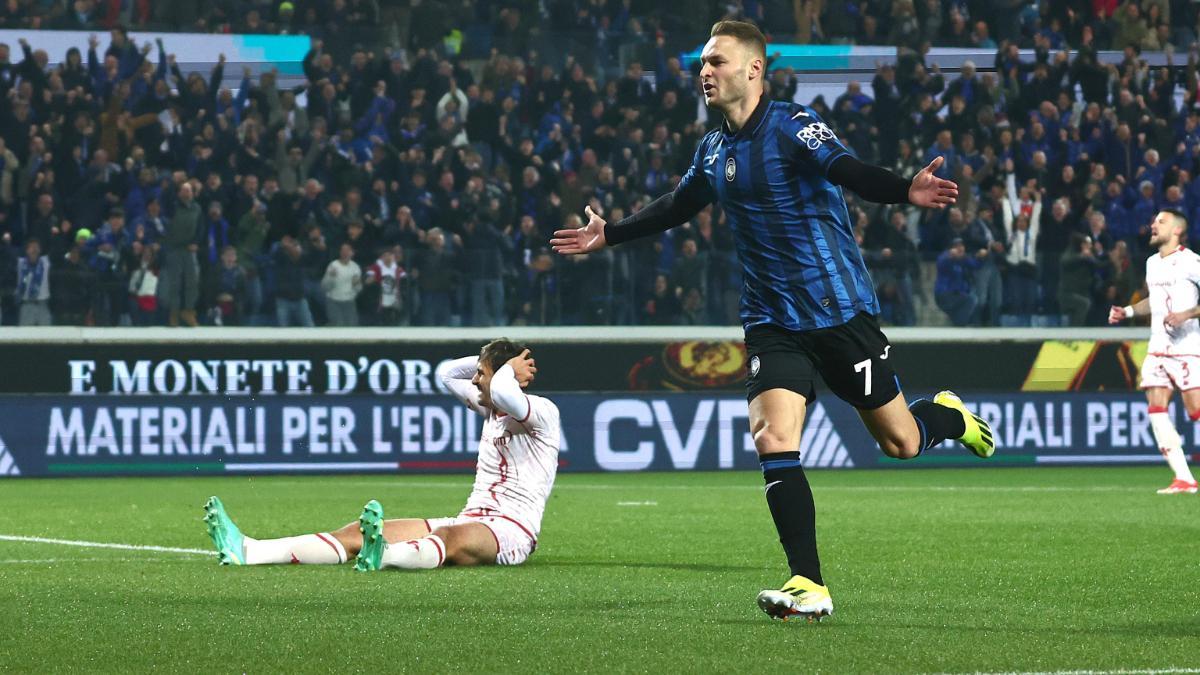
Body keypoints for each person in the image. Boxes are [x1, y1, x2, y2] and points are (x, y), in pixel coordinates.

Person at [551, 19, 994, 622]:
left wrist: (902, 190)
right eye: (702, 64)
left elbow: (847, 169)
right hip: (770, 319)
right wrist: (612, 234)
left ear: (754, 69)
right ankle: (808, 583)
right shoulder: (714, 149)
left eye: (717, 62)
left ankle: (948, 415)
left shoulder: (792, 126)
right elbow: (679, 205)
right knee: (773, 437)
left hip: (839, 313)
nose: (704, 72)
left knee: (901, 443)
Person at [203, 340, 560, 570]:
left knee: (451, 542)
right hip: (469, 516)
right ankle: (250, 550)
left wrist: (505, 371)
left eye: (481, 375)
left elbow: (501, 388)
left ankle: (384, 556)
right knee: (357, 532)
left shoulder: (540, 411)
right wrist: (492, 362)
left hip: (511, 531)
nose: (475, 381)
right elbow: (447, 373)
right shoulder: (491, 409)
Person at [1109, 210, 1200, 494]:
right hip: (1158, 347)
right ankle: (1184, 478)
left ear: (1176, 230)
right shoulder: (1151, 263)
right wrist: (1126, 311)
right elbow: (1154, 300)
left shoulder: (1191, 261)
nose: (1153, 225)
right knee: (1156, 407)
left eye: (1160, 222)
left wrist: (1187, 313)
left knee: (1195, 409)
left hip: (1186, 348)